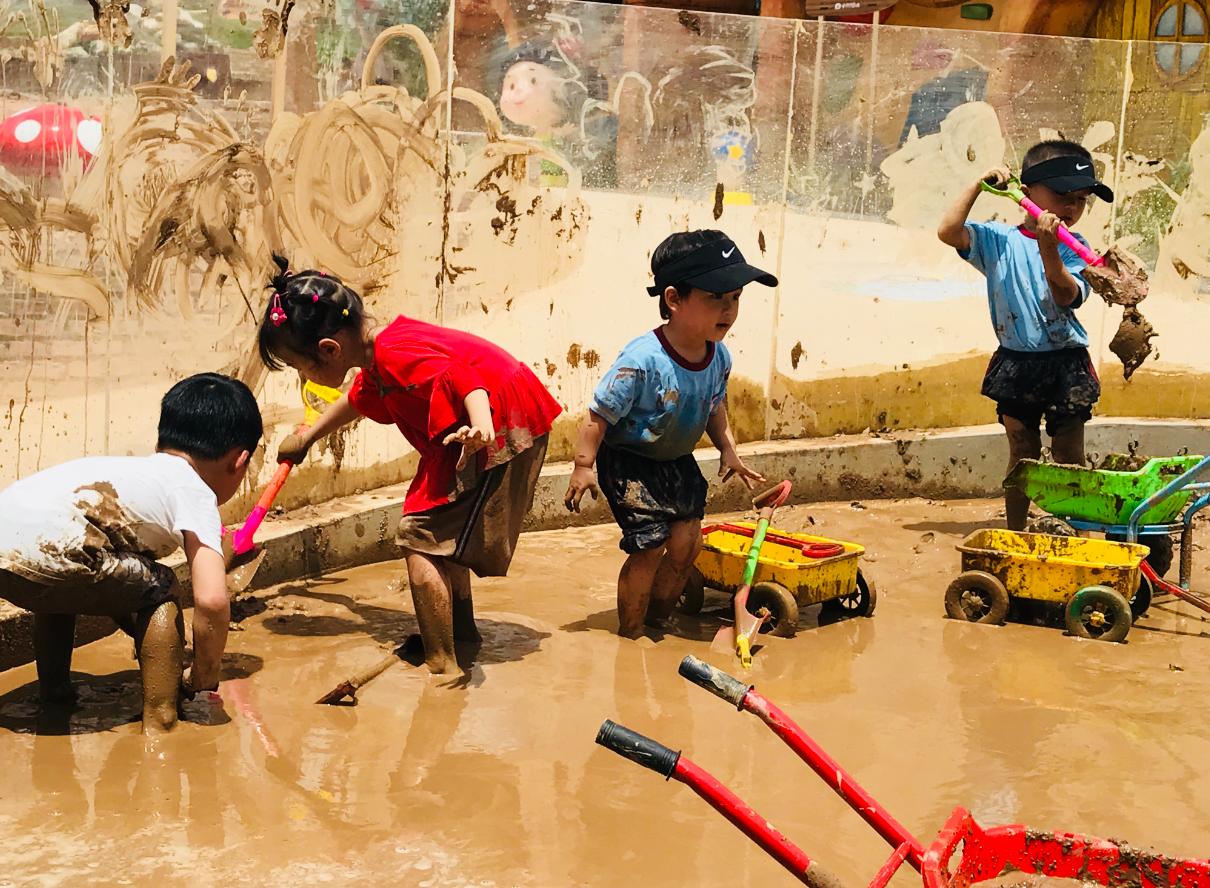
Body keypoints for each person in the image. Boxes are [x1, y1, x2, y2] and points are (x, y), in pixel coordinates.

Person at [257, 256, 561, 675]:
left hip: (500, 423)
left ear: (329, 350)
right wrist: (308, 437)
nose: (302, 376)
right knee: (436, 536)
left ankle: (442, 663)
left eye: (299, 367)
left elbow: (464, 379)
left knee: (420, 537)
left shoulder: (395, 352)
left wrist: (481, 426)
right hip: (468, 434)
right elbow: (358, 399)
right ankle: (461, 635)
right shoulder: (377, 357)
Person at [0, 373, 262, 732]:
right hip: (62, 553)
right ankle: (162, 721)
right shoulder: (194, 490)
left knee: (62, 590)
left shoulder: (127, 472)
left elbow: (113, 588)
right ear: (239, 461)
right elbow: (213, 600)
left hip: (10, 544)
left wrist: (138, 626)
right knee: (161, 586)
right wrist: (204, 672)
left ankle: (54, 691)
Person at [563, 229, 771, 638]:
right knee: (648, 547)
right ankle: (632, 633)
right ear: (673, 299)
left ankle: (659, 620)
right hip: (631, 463)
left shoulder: (719, 356)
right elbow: (599, 415)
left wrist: (728, 449)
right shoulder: (642, 360)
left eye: (736, 297)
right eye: (716, 297)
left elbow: (714, 406)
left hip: (676, 460)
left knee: (688, 543)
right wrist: (583, 466)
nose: (728, 309)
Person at [937, 139, 1113, 530]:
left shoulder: (1077, 249)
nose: (1071, 209)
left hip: (1066, 363)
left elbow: (1066, 295)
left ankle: (1076, 532)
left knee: (1069, 453)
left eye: (1081, 200)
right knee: (1022, 451)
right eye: (1063, 196)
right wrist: (978, 186)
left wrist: (1051, 249)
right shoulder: (997, 241)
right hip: (1016, 362)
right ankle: (1015, 530)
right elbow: (948, 231)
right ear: (1028, 193)